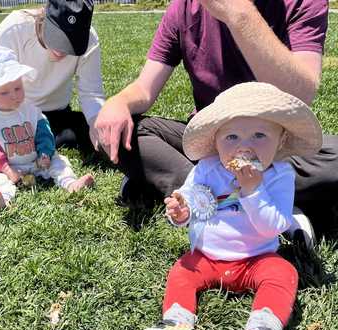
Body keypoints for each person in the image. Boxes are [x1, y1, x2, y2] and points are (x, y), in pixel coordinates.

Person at [94, 0, 336, 249]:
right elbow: (145, 88)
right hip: (212, 144)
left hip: (273, 149)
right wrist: (119, 101)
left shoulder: (301, 2)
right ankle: (223, 199)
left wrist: (239, 15)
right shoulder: (185, 6)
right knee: (119, 132)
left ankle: (176, 186)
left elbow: (301, 94)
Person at [135, 82, 322, 330]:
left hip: (255, 258)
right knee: (182, 270)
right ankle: (176, 325)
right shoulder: (207, 168)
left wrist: (252, 190)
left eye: (259, 135)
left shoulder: (279, 176)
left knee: (283, 273)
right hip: (207, 256)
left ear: (280, 139)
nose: (244, 146)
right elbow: (192, 200)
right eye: (232, 136)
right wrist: (181, 212)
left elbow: (273, 226)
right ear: (217, 140)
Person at [0, 0, 104, 167]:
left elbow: (91, 93)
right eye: (57, 37)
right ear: (45, 17)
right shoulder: (14, 28)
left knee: (93, 135)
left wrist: (98, 125)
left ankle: (34, 143)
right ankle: (32, 144)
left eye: (72, 42)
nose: (62, 50)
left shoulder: (90, 39)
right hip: (9, 114)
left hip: (55, 115)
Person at [0, 46, 94, 209]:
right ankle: (4, 199)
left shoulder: (31, 109)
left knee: (60, 162)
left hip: (36, 160)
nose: (14, 95)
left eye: (18, 88)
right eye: (4, 93)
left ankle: (70, 184)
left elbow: (44, 133)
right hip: (8, 166)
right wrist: (8, 171)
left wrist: (45, 154)